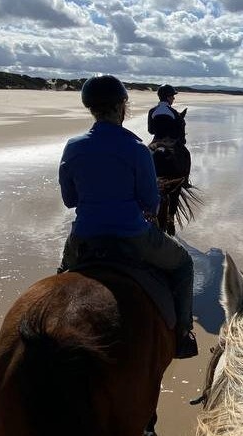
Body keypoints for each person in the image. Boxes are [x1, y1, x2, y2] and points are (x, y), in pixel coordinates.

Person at [58, 75, 198, 359]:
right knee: (184, 264)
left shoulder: (73, 146)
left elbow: (69, 199)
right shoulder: (136, 149)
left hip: (84, 236)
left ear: (91, 109)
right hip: (134, 236)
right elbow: (150, 201)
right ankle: (183, 333)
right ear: (122, 106)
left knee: (61, 278)